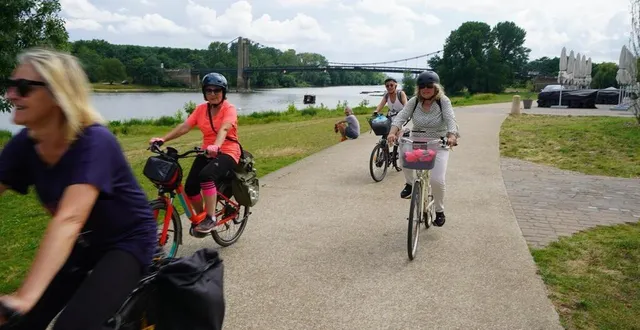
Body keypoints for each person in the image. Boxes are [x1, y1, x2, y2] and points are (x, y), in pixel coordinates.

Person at [0, 48, 157, 329]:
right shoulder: (25, 144)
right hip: (82, 242)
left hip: (127, 242)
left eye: (23, 88)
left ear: (57, 94)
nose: (11, 95)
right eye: (10, 85)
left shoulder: (94, 141)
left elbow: (69, 219)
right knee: (20, 324)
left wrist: (25, 297)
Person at [149, 72, 240, 235]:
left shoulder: (229, 109)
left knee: (206, 175)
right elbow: (185, 127)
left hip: (228, 151)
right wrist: (163, 139)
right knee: (191, 187)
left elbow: (224, 128)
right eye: (209, 90)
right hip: (207, 151)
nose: (212, 94)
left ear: (223, 92)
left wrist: (217, 146)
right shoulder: (200, 109)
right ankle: (201, 217)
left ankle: (210, 219)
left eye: (217, 90)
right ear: (204, 92)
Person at [387, 70, 459, 227]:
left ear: (436, 87)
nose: (425, 89)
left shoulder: (443, 101)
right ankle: (410, 184)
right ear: (418, 88)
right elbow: (401, 117)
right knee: (403, 154)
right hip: (417, 140)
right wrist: (392, 132)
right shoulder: (414, 101)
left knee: (436, 180)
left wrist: (452, 136)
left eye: (429, 86)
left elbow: (450, 119)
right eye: (422, 86)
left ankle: (439, 211)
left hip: (438, 142)